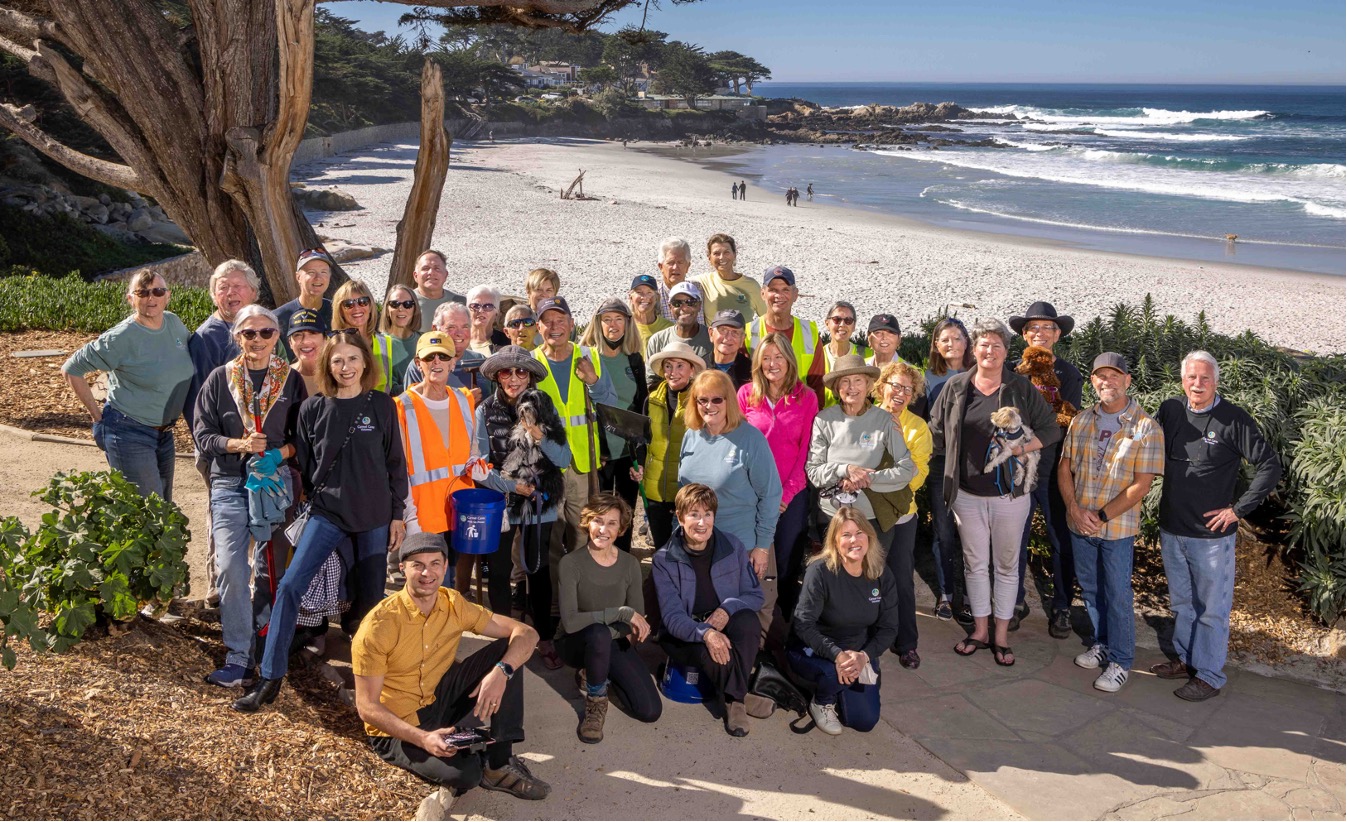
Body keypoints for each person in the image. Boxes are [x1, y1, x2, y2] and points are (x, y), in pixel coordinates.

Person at [234, 333, 408, 712]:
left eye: (352, 358)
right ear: (327, 365)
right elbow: (309, 465)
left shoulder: (381, 405)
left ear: (365, 362)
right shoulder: (312, 408)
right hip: (328, 513)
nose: (346, 367)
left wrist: (398, 514)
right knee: (291, 586)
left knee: (369, 600)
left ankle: (375, 688)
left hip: (374, 517)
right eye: (337, 360)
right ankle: (269, 678)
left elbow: (395, 462)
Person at [352, 531, 551, 801]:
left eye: (435, 563)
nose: (427, 573)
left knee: (509, 653)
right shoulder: (378, 626)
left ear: (445, 567)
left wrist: (501, 673)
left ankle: (498, 762)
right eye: (417, 565)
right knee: (465, 775)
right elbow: (367, 708)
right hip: (398, 726)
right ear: (402, 569)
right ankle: (471, 749)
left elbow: (527, 633)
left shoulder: (452, 603)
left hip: (438, 698)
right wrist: (422, 739)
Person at [927, 319, 1058, 668]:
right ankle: (980, 630)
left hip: (1010, 496)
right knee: (974, 564)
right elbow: (935, 435)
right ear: (974, 349)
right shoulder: (956, 387)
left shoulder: (1020, 387)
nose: (989, 351)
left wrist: (1018, 450)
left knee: (1005, 566)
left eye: (996, 345)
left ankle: (1001, 635)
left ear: (1005, 351)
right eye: (983, 344)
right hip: (967, 494)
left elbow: (1050, 428)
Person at [1151, 350, 1281, 701]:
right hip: (1172, 527)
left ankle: (1209, 675)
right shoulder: (1171, 410)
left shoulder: (1233, 418)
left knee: (1212, 610)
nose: (1198, 384)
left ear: (1216, 381)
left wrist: (1238, 510)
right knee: (1181, 603)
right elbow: (1146, 446)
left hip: (1210, 536)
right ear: (1182, 380)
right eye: (1191, 377)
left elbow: (1269, 465)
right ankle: (1185, 659)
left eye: (1205, 378)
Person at [193, 305, 306, 687]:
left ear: (277, 337)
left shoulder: (291, 381)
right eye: (248, 333)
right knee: (230, 569)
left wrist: (278, 453)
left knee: (271, 570)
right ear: (237, 337)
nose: (257, 340)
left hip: (274, 485)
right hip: (229, 483)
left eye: (266, 333)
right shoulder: (219, 379)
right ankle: (238, 655)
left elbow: (302, 439)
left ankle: (266, 649)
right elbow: (203, 436)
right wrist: (239, 444)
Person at [1058, 353, 1164, 693]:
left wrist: (1101, 516)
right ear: (1093, 381)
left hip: (1115, 529)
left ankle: (1121, 660)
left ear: (1127, 381)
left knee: (1117, 594)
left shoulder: (1146, 427)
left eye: (1114, 376)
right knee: (1090, 590)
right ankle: (1101, 642)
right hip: (1079, 523)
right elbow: (1064, 467)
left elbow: (1141, 485)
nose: (1108, 382)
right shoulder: (1081, 420)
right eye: (1101, 376)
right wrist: (1074, 508)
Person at [475, 346, 571, 671]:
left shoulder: (544, 406)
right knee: (500, 571)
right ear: (497, 377)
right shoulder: (485, 411)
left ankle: (543, 636)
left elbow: (564, 459)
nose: (514, 378)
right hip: (502, 501)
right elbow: (478, 466)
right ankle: (506, 639)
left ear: (530, 377)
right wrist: (510, 486)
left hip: (538, 500)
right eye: (506, 372)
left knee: (537, 569)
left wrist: (540, 434)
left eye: (521, 372)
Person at [63, 271, 194, 501]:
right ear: (131, 299)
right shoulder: (120, 337)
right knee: (147, 514)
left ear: (167, 296)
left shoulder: (174, 323)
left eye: (157, 291)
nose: (151, 298)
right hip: (129, 433)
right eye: (142, 292)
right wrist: (97, 418)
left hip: (164, 434)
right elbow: (71, 369)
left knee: (162, 510)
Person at [651, 483, 770, 737]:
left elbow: (754, 595)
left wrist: (727, 609)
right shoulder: (664, 560)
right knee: (708, 648)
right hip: (683, 633)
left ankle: (734, 697)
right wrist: (706, 633)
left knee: (748, 621)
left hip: (722, 620)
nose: (701, 523)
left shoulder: (732, 546)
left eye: (707, 514)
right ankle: (738, 700)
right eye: (694, 514)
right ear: (680, 517)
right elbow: (672, 618)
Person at [679, 369, 783, 625]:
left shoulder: (750, 439)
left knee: (750, 612)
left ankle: (752, 661)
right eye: (702, 400)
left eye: (717, 399)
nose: (709, 406)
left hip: (743, 545)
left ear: (729, 401)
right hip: (701, 545)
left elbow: (771, 495)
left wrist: (761, 547)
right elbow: (684, 492)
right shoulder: (691, 436)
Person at [555, 494, 662, 743]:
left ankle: (598, 671)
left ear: (622, 528)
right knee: (597, 633)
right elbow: (570, 622)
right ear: (587, 523)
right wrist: (620, 613)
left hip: (609, 641)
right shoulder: (570, 563)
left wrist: (622, 623)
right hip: (573, 642)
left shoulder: (630, 564)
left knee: (649, 711)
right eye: (597, 521)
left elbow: (634, 624)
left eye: (612, 523)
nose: (603, 529)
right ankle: (595, 701)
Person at [532, 297, 618, 603]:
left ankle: (586, 597)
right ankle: (558, 602)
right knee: (551, 538)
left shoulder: (588, 356)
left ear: (571, 323)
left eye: (560, 320)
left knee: (584, 533)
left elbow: (609, 401)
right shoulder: (531, 364)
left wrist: (592, 380)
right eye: (547, 321)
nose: (554, 327)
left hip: (583, 465)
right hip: (547, 466)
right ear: (538, 326)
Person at [1009, 301, 1084, 637]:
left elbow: (1067, 419)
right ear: (1024, 335)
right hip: (1017, 465)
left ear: (1057, 335)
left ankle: (1063, 606)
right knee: (1014, 536)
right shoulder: (1012, 371)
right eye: (1033, 328)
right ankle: (1013, 601)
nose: (1040, 333)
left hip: (1055, 466)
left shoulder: (1069, 374)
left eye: (1047, 328)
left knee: (1060, 537)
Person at [790, 508, 898, 735]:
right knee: (832, 673)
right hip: (815, 649)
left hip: (857, 652)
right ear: (835, 541)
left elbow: (889, 628)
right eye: (845, 535)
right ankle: (821, 700)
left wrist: (864, 656)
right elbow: (803, 624)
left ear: (869, 536)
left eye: (859, 533)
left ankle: (843, 684)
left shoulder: (881, 573)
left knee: (864, 721)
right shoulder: (819, 571)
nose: (854, 540)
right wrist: (837, 655)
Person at [738, 334, 819, 626]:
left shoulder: (806, 397)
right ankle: (750, 623)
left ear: (789, 361)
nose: (772, 364)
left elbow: (807, 451)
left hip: (790, 498)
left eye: (778, 357)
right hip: (751, 497)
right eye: (766, 358)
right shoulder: (746, 394)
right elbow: (737, 446)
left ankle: (782, 627)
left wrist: (784, 496)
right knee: (753, 561)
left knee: (785, 564)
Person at [873, 360, 932, 669]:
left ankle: (906, 642)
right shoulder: (864, 417)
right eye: (895, 385)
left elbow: (918, 472)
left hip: (901, 514)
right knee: (864, 577)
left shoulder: (917, 427)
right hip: (865, 513)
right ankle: (865, 639)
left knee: (901, 579)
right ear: (882, 385)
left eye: (907, 389)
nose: (900, 393)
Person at [917, 317, 975, 622]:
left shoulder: (981, 374)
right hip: (940, 463)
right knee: (943, 531)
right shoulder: (928, 379)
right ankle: (945, 594)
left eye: (956, 338)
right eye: (944, 339)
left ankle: (969, 597)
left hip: (974, 464)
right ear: (936, 346)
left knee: (971, 533)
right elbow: (922, 424)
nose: (951, 344)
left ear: (967, 342)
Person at [395, 332, 480, 540]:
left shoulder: (464, 399)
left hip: (461, 511)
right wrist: (410, 516)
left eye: (443, 356)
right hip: (423, 517)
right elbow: (398, 469)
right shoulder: (401, 406)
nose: (436, 362)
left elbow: (473, 449)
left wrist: (478, 466)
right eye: (429, 357)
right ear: (418, 363)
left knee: (456, 571)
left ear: (453, 362)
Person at [579, 298, 648, 552]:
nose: (613, 325)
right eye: (607, 319)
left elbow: (641, 408)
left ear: (627, 323)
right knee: (599, 514)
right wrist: (596, 449)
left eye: (619, 319)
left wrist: (640, 455)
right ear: (598, 323)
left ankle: (623, 560)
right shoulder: (586, 357)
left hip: (628, 450)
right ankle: (598, 561)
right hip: (600, 452)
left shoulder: (634, 360)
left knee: (626, 510)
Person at [635, 341, 704, 550]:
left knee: (686, 549)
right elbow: (642, 440)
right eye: (668, 366)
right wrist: (639, 465)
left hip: (685, 491)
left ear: (692, 369)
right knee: (662, 549)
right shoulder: (651, 400)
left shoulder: (700, 401)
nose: (673, 372)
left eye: (680, 366)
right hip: (654, 491)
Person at [746, 266, 824, 400]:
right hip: (761, 411)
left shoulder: (810, 332)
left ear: (795, 295)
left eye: (785, 290)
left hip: (800, 411)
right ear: (763, 293)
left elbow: (817, 384)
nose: (779, 296)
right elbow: (745, 383)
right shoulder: (748, 332)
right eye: (773, 290)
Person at [331, 279, 396, 393]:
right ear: (340, 310)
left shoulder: (386, 342)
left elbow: (388, 385)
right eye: (349, 304)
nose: (357, 308)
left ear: (370, 306)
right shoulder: (331, 344)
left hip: (380, 408)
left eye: (363, 301)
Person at [693, 233, 766, 325]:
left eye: (726, 252)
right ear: (709, 258)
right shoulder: (703, 282)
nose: (722, 257)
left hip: (745, 338)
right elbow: (676, 283)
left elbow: (767, 317)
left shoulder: (751, 285)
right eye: (716, 253)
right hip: (713, 339)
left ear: (734, 255)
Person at [275, 248, 335, 360]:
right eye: (311, 272)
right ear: (298, 277)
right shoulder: (278, 318)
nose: (318, 278)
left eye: (323, 272)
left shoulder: (338, 312)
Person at [644, 281, 712, 378]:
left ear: (699, 305)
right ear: (670, 307)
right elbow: (651, 381)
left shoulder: (712, 338)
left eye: (690, 302)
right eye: (677, 303)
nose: (684, 308)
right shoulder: (657, 341)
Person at [819, 300, 870, 409]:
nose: (842, 325)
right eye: (836, 320)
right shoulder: (816, 355)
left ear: (854, 326)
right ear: (827, 323)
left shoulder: (867, 355)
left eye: (848, 320)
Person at [375, 283, 422, 397]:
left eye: (407, 304)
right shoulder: (379, 343)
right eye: (395, 304)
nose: (401, 309)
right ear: (387, 308)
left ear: (414, 308)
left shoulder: (424, 340)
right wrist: (425, 386)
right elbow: (388, 389)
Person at [412, 250, 466, 331]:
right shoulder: (405, 303)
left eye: (437, 268)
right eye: (425, 268)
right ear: (415, 276)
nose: (431, 272)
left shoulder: (460, 303)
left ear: (445, 275)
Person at [708, 309, 753, 388]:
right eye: (723, 330)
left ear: (742, 339)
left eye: (735, 332)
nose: (728, 337)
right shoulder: (698, 367)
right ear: (711, 333)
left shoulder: (752, 372)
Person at [286, 309, 326, 397]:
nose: (306, 341)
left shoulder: (339, 373)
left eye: (312, 333)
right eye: (298, 335)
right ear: (290, 343)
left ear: (325, 339)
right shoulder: (283, 377)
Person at [629, 274, 671, 354]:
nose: (644, 297)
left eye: (649, 292)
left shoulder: (668, 328)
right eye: (639, 292)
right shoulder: (624, 325)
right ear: (631, 297)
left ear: (657, 298)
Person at [466, 284, 510, 355]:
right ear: (467, 310)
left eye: (488, 306)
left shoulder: (507, 343)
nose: (481, 310)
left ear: (497, 312)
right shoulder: (455, 340)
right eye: (475, 306)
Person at [655, 237, 693, 321]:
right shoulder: (654, 296)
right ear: (660, 266)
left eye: (680, 262)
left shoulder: (698, 290)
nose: (675, 267)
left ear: (687, 266)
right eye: (670, 263)